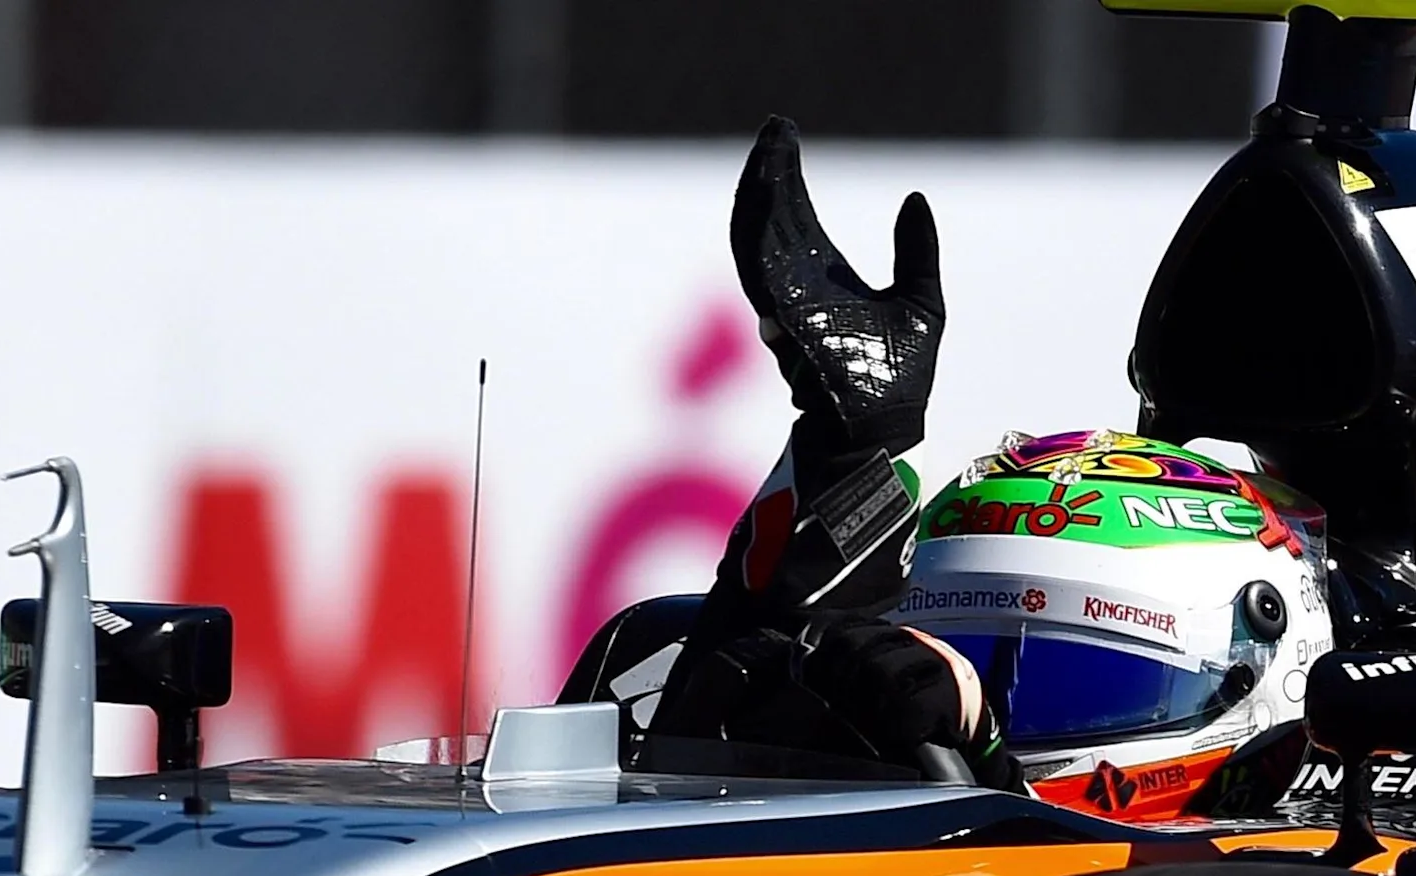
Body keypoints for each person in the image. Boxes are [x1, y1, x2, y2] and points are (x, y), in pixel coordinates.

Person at [569, 118, 1336, 822]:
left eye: (1073, 680)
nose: (975, 702)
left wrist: (990, 752)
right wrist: (859, 444)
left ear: (1255, 673)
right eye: (953, 654)